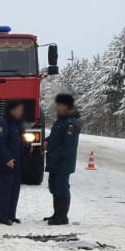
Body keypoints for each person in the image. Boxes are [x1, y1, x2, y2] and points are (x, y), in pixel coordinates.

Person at [44, 92, 82, 225]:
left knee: (61, 188)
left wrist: (53, 155)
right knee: (54, 187)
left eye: (59, 105)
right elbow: (56, 137)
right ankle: (56, 214)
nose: (57, 107)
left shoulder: (71, 123)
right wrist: (47, 141)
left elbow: (68, 146)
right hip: (55, 161)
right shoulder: (61, 120)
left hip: (63, 162)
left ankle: (62, 217)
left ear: (66, 106)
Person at [0, 100, 27, 225]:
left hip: (18, 161)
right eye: (18, 110)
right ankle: (2, 217)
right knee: (5, 190)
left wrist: (27, 145)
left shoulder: (19, 123)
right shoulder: (3, 123)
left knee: (14, 190)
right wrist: (7, 159)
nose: (21, 112)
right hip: (6, 162)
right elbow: (0, 143)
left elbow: (21, 139)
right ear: (12, 110)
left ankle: (11, 215)